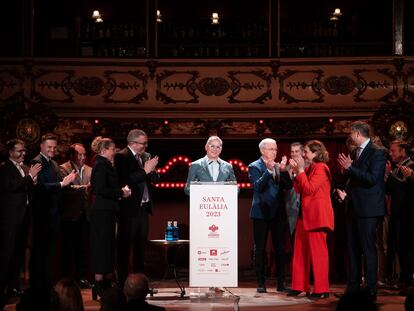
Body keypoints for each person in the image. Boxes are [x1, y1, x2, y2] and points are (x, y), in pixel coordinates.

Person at [337, 121, 387, 300]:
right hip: (353, 206)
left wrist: (351, 169)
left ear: (357, 133)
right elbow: (355, 179)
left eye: (351, 133)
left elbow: (372, 179)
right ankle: (353, 287)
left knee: (368, 249)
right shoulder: (354, 152)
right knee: (352, 249)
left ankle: (371, 289)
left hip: (369, 208)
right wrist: (346, 188)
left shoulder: (378, 152)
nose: (350, 137)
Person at [30, 133, 78, 305]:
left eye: (54, 147)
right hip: (43, 215)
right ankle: (38, 288)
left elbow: (61, 185)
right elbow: (40, 189)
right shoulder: (37, 162)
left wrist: (69, 182)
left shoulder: (54, 163)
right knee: (41, 253)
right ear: (41, 146)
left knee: (49, 253)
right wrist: (61, 184)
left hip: (55, 214)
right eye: (49, 147)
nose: (52, 150)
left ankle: (47, 287)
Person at [287, 140, 334, 298]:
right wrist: (295, 173)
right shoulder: (311, 167)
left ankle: (322, 289)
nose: (304, 154)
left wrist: (300, 171)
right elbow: (299, 188)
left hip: (317, 217)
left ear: (315, 153)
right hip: (304, 215)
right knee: (300, 252)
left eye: (306, 151)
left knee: (318, 254)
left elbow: (309, 188)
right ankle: (299, 285)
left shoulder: (321, 168)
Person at [114, 129, 159, 288]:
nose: (146, 146)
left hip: (143, 209)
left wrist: (152, 170)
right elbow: (124, 179)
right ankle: (123, 283)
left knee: (141, 248)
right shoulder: (121, 156)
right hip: (128, 209)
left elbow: (154, 180)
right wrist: (144, 171)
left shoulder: (146, 156)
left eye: (146, 143)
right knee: (124, 247)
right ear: (133, 143)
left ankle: (141, 283)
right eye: (143, 143)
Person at [0, 139, 41, 310]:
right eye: (19, 151)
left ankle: (13, 285)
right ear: (10, 152)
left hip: (24, 217)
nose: (23, 154)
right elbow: (12, 187)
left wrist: (33, 182)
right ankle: (2, 289)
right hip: (10, 219)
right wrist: (30, 177)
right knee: (7, 255)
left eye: (24, 151)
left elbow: (25, 189)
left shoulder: (24, 168)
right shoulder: (4, 168)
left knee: (18, 253)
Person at [248, 138, 293, 293]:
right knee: (259, 249)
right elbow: (258, 187)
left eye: (275, 149)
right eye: (271, 149)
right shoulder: (254, 166)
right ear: (262, 150)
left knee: (280, 249)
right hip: (261, 212)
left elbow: (288, 186)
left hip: (278, 213)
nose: (274, 152)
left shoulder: (278, 166)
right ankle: (261, 283)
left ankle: (281, 283)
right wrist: (267, 171)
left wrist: (282, 170)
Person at [90, 137, 131, 300]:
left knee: (107, 247)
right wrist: (121, 193)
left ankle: (105, 284)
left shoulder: (105, 164)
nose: (115, 152)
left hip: (107, 211)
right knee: (101, 247)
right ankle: (99, 286)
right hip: (102, 212)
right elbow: (100, 189)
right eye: (112, 149)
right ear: (104, 151)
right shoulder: (100, 165)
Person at [59, 143, 92, 289]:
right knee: (68, 249)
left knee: (83, 248)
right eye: (79, 154)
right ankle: (67, 280)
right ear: (72, 155)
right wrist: (85, 188)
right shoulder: (63, 168)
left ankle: (82, 277)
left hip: (86, 214)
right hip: (69, 215)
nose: (83, 157)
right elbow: (65, 189)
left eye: (84, 154)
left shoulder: (90, 170)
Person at [385, 141, 414, 293]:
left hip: (408, 214)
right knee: (400, 246)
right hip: (397, 213)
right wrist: (388, 175)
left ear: (403, 151)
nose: (391, 153)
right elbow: (390, 190)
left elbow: (403, 187)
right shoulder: (397, 169)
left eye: (393, 151)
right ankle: (404, 279)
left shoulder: (411, 166)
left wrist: (390, 174)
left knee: (407, 247)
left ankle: (410, 281)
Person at [284, 142, 303, 240]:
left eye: (297, 151)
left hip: (304, 209)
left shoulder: (308, 166)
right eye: (292, 152)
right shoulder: (286, 168)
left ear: (302, 152)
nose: (294, 154)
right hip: (290, 208)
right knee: (293, 239)